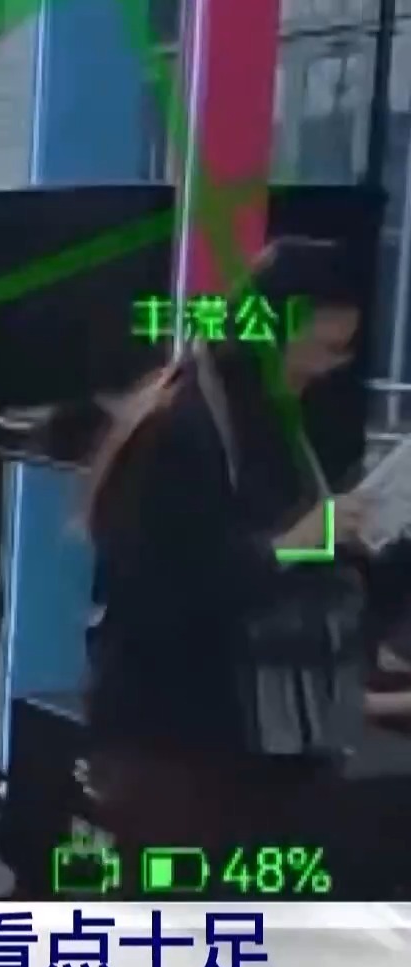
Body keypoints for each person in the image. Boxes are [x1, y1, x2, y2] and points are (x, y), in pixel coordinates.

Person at [81, 238, 379, 893]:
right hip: (173, 737)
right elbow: (167, 591)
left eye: (343, 352)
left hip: (257, 733)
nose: (328, 370)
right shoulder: (179, 427)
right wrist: (295, 542)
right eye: (321, 350)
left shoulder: (272, 423)